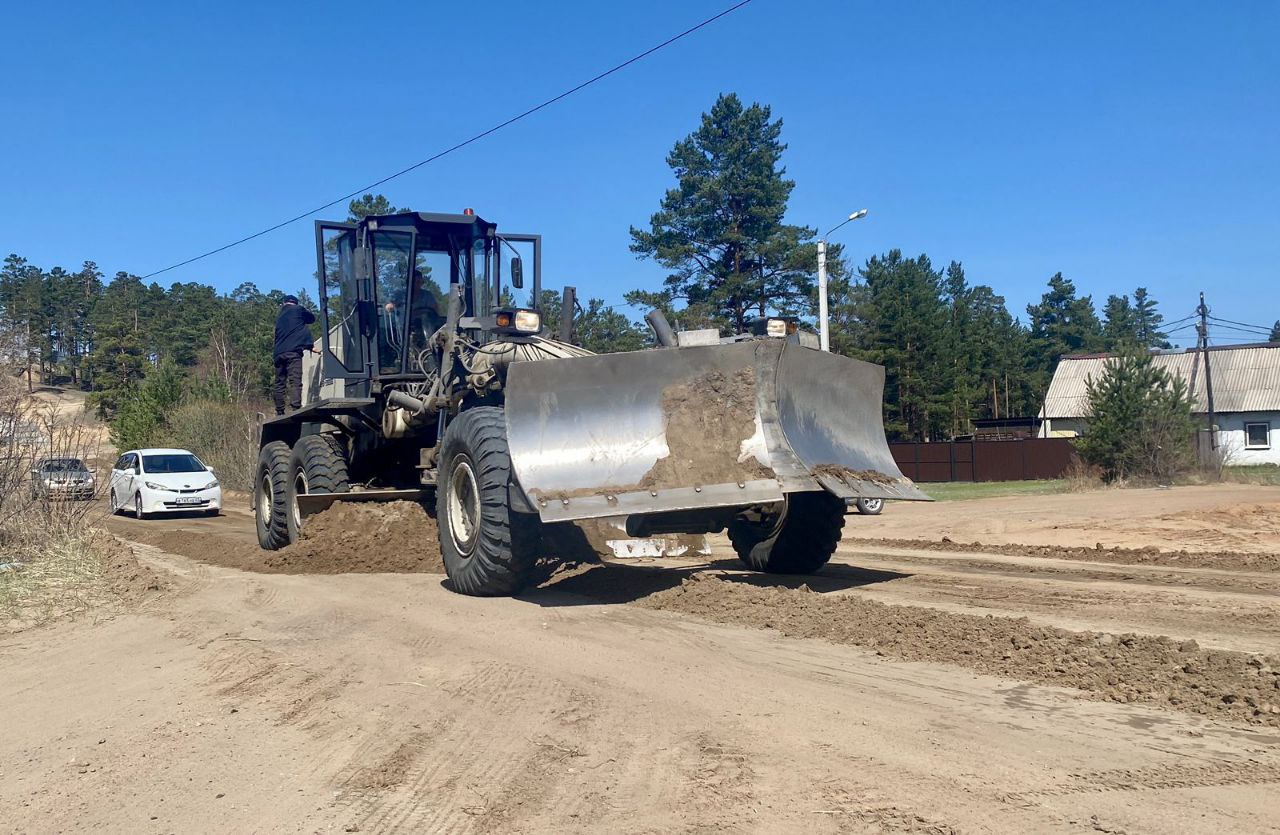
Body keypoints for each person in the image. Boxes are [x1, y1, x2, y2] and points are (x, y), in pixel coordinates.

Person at [272, 294, 317, 416]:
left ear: (284, 303)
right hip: (292, 353)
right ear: (295, 303)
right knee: (295, 380)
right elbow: (312, 319)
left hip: (278, 354)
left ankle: (279, 410)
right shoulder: (298, 310)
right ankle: (296, 407)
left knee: (279, 383)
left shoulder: (280, 317)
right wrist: (309, 345)